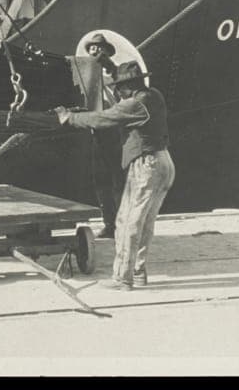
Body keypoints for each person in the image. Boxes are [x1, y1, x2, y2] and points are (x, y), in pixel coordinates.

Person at [54, 60, 174, 290]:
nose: (117, 91)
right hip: (164, 162)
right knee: (145, 222)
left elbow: (103, 119)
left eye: (120, 87)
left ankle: (122, 278)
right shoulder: (154, 95)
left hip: (146, 165)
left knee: (126, 222)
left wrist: (69, 117)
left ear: (129, 87)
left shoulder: (135, 105)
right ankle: (138, 272)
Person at [82, 33, 125, 239]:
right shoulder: (85, 75)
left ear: (107, 52)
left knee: (118, 179)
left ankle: (123, 223)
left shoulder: (115, 73)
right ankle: (110, 224)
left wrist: (107, 65)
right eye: (91, 48)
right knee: (101, 181)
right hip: (97, 132)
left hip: (115, 132)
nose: (95, 51)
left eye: (99, 48)